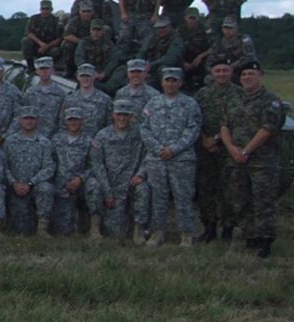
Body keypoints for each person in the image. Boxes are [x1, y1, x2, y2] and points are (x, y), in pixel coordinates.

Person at [218, 61, 286, 259]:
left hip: (262, 161)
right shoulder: (234, 100)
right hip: (236, 160)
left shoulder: (270, 100)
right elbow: (224, 126)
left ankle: (264, 240)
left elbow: (267, 129)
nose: (247, 77)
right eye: (244, 74)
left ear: (260, 76)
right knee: (240, 200)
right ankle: (250, 236)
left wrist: (246, 150)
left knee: (263, 201)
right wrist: (232, 149)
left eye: (251, 74)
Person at [137, 67, 201, 248]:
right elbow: (144, 128)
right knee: (158, 197)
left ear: (180, 83)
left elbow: (193, 129)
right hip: (156, 159)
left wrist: (174, 149)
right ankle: (158, 232)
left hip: (181, 159)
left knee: (183, 196)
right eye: (167, 80)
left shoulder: (189, 104)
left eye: (174, 80)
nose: (171, 84)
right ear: (162, 82)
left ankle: (186, 234)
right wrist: (158, 148)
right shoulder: (152, 103)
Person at [193, 59, 243, 244]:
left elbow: (240, 122)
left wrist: (217, 139)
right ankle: (209, 227)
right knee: (206, 189)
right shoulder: (203, 94)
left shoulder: (239, 94)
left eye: (225, 70)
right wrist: (204, 138)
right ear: (212, 73)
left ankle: (228, 229)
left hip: (229, 149)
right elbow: (194, 118)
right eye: (218, 70)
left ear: (231, 72)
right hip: (205, 149)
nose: (221, 74)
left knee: (229, 190)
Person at [87, 100, 146, 241]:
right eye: (119, 114)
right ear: (113, 115)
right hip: (110, 185)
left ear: (131, 116)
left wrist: (140, 174)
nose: (122, 118)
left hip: (130, 184)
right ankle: (95, 228)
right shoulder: (102, 135)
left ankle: (139, 230)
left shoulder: (140, 134)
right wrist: (107, 191)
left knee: (144, 189)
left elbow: (148, 156)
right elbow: (97, 165)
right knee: (93, 186)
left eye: (126, 115)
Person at [2, 107, 56, 236]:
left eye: (32, 118)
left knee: (46, 188)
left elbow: (49, 168)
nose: (29, 121)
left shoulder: (44, 142)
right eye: (26, 118)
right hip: (15, 187)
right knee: (20, 229)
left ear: (37, 121)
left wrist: (31, 183)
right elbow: (3, 166)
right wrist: (14, 183)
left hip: (35, 186)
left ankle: (42, 229)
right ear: (20, 120)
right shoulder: (10, 141)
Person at [48, 108, 92, 236]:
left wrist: (80, 178)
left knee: (93, 187)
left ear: (82, 121)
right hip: (60, 184)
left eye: (76, 120)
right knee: (62, 230)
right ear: (66, 122)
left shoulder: (89, 141)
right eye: (70, 120)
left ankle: (91, 226)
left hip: (81, 185)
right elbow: (50, 162)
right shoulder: (56, 140)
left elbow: (94, 165)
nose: (73, 123)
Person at [16, 56, 67, 139]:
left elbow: (62, 119)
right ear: (37, 71)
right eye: (41, 69)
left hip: (53, 137)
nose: (44, 71)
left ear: (52, 71)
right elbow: (23, 116)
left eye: (47, 69)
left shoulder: (60, 94)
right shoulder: (30, 92)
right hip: (32, 137)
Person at [62, 63, 112, 137]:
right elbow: (62, 125)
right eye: (82, 76)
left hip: (97, 141)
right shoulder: (69, 99)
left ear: (94, 77)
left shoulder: (105, 100)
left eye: (88, 76)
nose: (85, 79)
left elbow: (110, 126)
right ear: (77, 77)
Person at [75, 19, 125, 93]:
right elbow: (79, 58)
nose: (96, 33)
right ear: (90, 30)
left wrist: (105, 73)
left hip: (104, 73)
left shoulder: (109, 44)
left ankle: (107, 89)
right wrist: (92, 72)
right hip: (88, 72)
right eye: (94, 30)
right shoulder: (84, 42)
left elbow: (114, 60)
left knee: (122, 69)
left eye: (98, 30)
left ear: (102, 31)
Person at [139, 16, 185, 87]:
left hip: (172, 70)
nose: (160, 30)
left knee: (162, 69)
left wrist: (151, 65)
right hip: (151, 68)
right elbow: (142, 51)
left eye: (163, 27)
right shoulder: (153, 38)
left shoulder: (176, 39)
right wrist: (140, 65)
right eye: (158, 27)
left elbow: (170, 59)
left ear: (170, 26)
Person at [207, 16, 257, 81]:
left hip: (241, 70)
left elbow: (249, 57)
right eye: (225, 28)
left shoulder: (244, 39)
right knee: (208, 79)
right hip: (223, 72)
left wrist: (231, 67)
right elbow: (210, 60)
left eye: (230, 28)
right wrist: (215, 70)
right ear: (222, 29)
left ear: (236, 29)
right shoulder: (218, 43)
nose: (227, 31)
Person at [20, 0, 61, 72]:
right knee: (25, 41)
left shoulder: (56, 21)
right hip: (36, 46)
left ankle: (49, 68)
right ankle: (31, 67)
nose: (45, 11)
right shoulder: (34, 18)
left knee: (56, 51)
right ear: (40, 9)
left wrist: (46, 46)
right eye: (43, 9)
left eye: (47, 9)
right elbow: (29, 33)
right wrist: (41, 44)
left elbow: (59, 38)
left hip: (50, 47)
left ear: (51, 9)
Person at [114, 59, 159, 124]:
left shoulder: (153, 95)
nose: (135, 75)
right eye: (132, 72)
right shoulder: (121, 93)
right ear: (128, 74)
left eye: (139, 72)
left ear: (145, 73)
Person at [59, 1, 96, 78]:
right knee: (67, 45)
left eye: (88, 11)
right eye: (84, 11)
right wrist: (81, 42)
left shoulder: (96, 21)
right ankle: (69, 70)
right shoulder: (74, 21)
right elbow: (66, 35)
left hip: (93, 44)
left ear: (92, 11)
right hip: (78, 44)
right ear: (79, 11)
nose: (86, 13)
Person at [179, 7, 212, 92]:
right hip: (185, 59)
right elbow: (175, 48)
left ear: (198, 18)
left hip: (202, 58)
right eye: (190, 18)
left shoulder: (205, 29)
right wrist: (183, 62)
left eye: (194, 18)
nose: (192, 20)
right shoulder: (180, 30)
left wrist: (200, 56)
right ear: (185, 18)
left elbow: (214, 47)